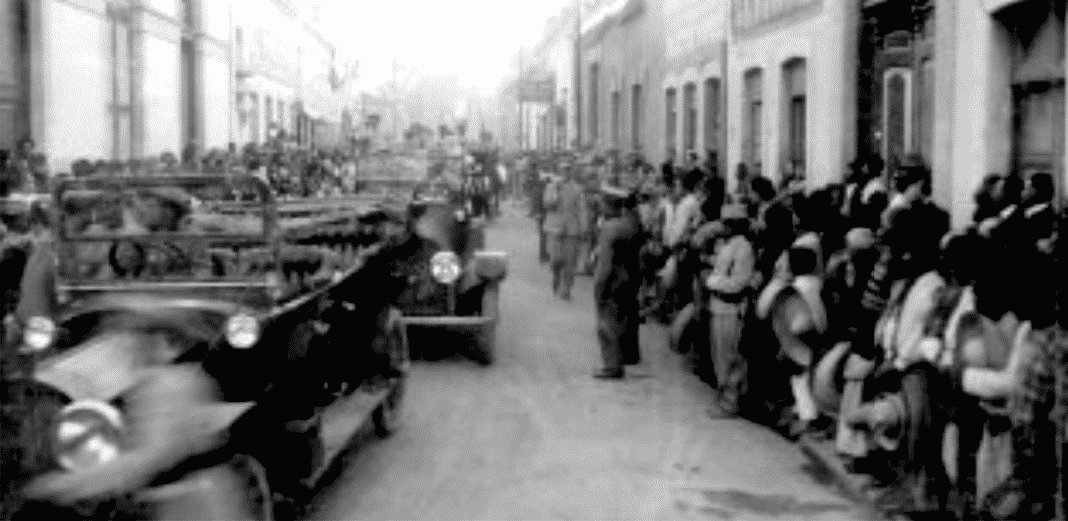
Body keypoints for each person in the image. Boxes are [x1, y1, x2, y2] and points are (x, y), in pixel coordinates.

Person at [704, 204, 755, 416]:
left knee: (729, 356)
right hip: (718, 306)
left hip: (731, 308)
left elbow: (738, 283)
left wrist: (712, 281)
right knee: (719, 355)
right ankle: (723, 396)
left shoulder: (744, 249)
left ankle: (730, 401)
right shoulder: (729, 245)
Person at [592, 186, 644, 379]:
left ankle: (612, 366)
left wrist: (598, 288)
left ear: (608, 205)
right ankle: (625, 358)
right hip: (630, 280)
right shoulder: (631, 225)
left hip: (613, 281)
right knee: (624, 320)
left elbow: (604, 265)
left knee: (607, 323)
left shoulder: (608, 228)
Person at [543, 164, 588, 301]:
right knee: (555, 258)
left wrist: (584, 227)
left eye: (568, 170)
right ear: (559, 171)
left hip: (572, 229)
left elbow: (582, 209)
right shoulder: (551, 186)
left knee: (570, 262)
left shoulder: (577, 188)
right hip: (554, 227)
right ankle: (556, 274)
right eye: (563, 170)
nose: (565, 173)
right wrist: (555, 190)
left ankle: (566, 289)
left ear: (571, 172)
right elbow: (548, 204)